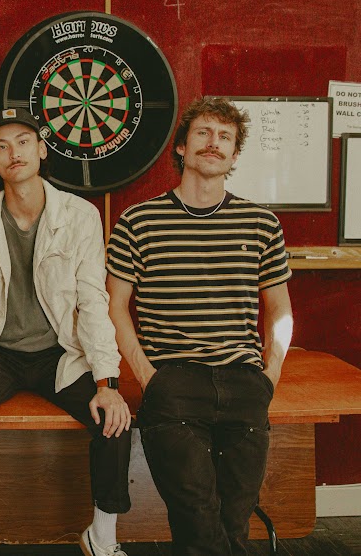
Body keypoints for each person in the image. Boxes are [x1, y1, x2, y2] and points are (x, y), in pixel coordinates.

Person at [106, 96, 294, 556]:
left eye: (225, 137)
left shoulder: (260, 223)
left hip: (244, 383)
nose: (214, 143)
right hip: (174, 382)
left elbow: (280, 311)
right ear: (181, 148)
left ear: (234, 154)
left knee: (234, 517)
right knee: (196, 515)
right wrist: (148, 376)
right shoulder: (138, 221)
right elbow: (114, 308)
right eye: (204, 134)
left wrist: (270, 376)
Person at [0, 108, 132, 556]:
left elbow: (94, 300)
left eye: (23, 141)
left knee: (113, 419)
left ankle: (103, 537)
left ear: (42, 149)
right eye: (1, 146)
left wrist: (106, 382)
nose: (13, 152)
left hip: (60, 352)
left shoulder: (80, 215)